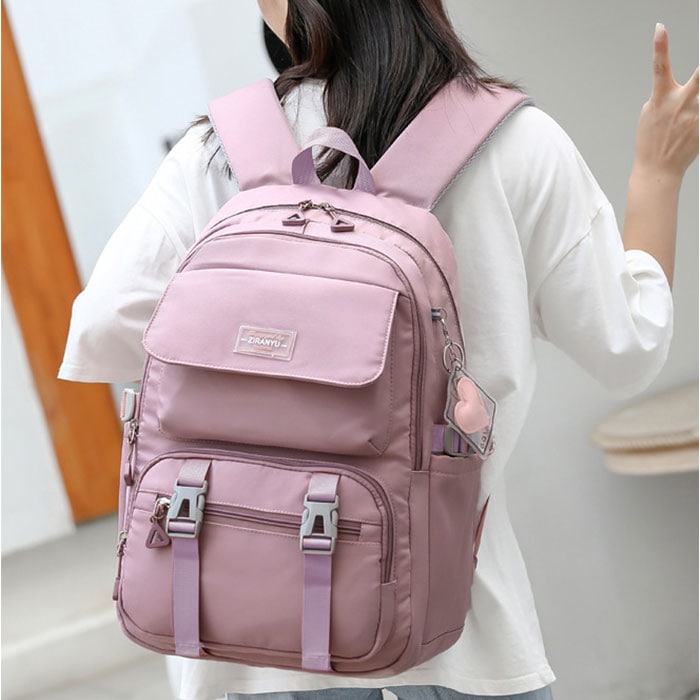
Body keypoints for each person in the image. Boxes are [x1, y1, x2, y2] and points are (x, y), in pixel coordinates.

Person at [58, 1, 698, 699]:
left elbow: (104, 329)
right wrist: (656, 172)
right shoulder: (515, 142)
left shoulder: (216, 151)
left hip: (231, 637)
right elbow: (627, 346)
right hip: (453, 633)